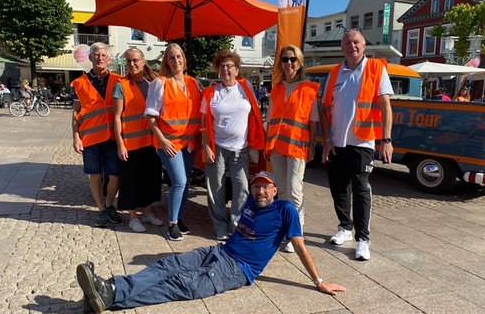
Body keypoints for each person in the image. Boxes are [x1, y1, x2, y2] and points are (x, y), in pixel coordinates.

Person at [76, 171, 346, 313]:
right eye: (256, 186)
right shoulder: (252, 201)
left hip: (236, 270)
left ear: (275, 189)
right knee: (167, 264)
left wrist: (319, 281)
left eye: (266, 187)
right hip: (218, 251)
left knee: (179, 285)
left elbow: (299, 246)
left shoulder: (285, 210)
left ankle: (109, 297)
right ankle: (110, 288)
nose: (260, 191)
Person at [319, 29, 394, 261]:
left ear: (364, 45)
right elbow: (324, 109)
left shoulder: (376, 69)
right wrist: (327, 140)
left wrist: (386, 139)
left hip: (362, 141)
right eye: (348, 42)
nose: (352, 45)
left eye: (357, 42)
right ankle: (345, 228)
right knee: (338, 187)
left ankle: (363, 239)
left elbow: (385, 106)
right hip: (336, 142)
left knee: (361, 190)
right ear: (342, 47)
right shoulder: (334, 73)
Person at [200, 49, 266, 241]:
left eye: (230, 66)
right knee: (216, 189)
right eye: (222, 66)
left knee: (242, 188)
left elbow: (254, 114)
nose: (226, 70)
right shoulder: (210, 92)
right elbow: (203, 122)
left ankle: (237, 225)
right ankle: (220, 226)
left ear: (237, 70)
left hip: (241, 148)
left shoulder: (246, 88)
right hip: (217, 146)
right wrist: (206, 146)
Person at [144, 43, 201, 241]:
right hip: (169, 143)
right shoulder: (160, 83)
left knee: (184, 185)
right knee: (179, 182)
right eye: (171, 58)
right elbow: (151, 116)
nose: (176, 61)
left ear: (184, 59)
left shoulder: (193, 82)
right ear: (166, 62)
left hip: (189, 143)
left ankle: (179, 217)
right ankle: (173, 224)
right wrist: (162, 140)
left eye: (179, 57)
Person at [265, 44, 319, 253]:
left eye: (292, 59)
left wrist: (312, 145)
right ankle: (286, 229)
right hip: (277, 145)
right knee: (283, 190)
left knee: (295, 190)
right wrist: (267, 144)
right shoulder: (277, 88)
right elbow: (270, 120)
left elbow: (312, 122)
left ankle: (297, 234)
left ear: (299, 62)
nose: (288, 63)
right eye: (285, 59)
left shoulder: (308, 88)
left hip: (297, 146)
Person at [72, 42, 123, 228]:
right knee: (95, 175)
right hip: (91, 138)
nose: (100, 58)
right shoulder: (79, 83)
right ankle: (101, 210)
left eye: (104, 55)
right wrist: (75, 136)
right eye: (96, 55)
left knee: (115, 174)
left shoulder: (119, 81)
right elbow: (75, 113)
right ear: (90, 57)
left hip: (112, 137)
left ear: (108, 58)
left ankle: (110, 205)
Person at [112, 47, 164, 232]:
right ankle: (133, 216)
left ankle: (147, 212)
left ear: (143, 62)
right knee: (131, 181)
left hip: (151, 143)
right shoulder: (121, 85)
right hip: (131, 144)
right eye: (128, 61)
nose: (132, 64)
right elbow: (117, 117)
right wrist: (120, 144)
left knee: (150, 180)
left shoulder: (152, 83)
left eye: (135, 60)